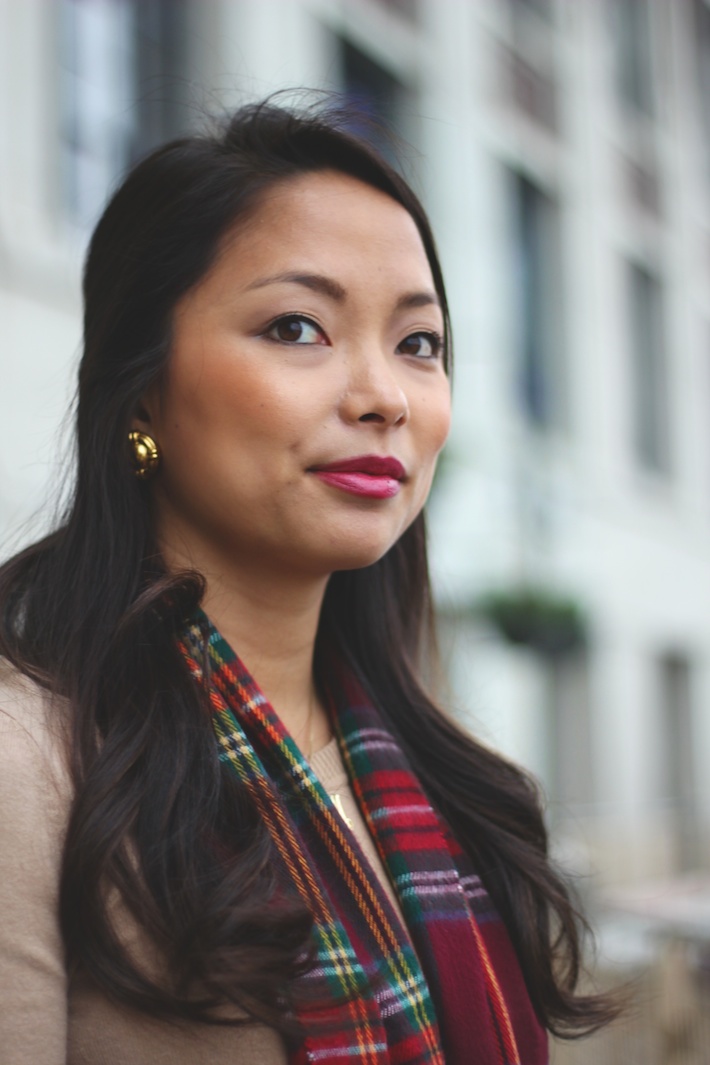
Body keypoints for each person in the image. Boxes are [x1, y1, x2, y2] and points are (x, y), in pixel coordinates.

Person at [0, 99, 616, 1065]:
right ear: (143, 386)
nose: (383, 396)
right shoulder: (32, 766)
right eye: (297, 326)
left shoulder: (452, 781)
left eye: (419, 343)